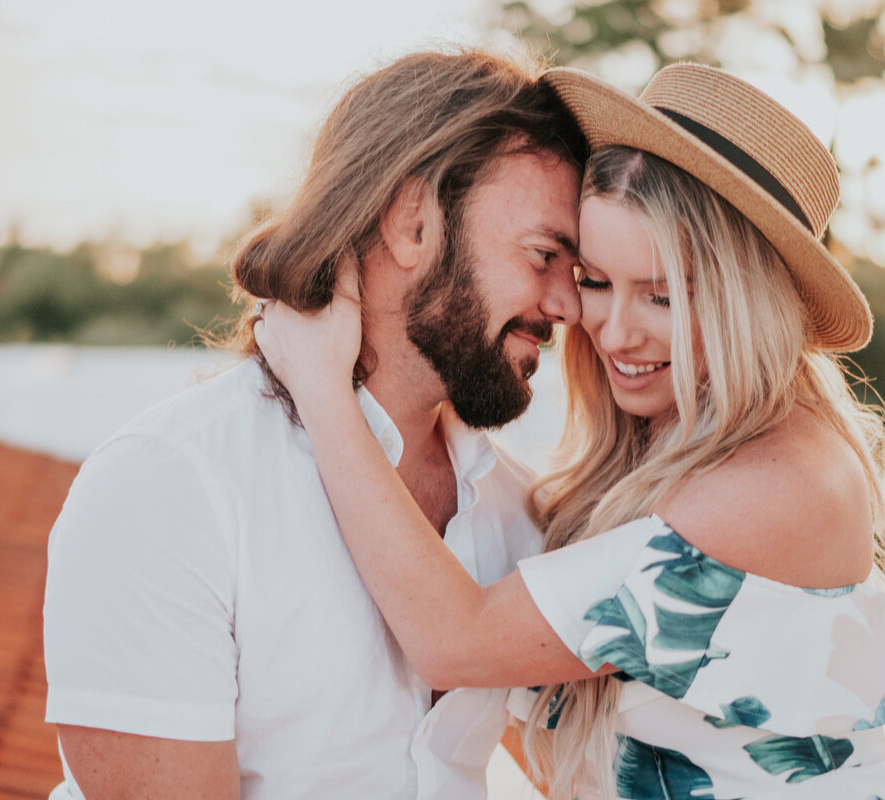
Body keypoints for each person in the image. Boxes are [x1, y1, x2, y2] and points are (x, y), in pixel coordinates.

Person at [255, 63, 885, 799]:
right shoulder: (673, 453)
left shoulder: (786, 483)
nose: (613, 331)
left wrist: (322, 388)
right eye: (595, 281)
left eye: (661, 295)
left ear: (743, 300)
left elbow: (454, 644)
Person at [42, 48, 591, 799]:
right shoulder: (171, 484)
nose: (569, 303)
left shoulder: (518, 511)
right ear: (411, 223)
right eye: (544, 254)